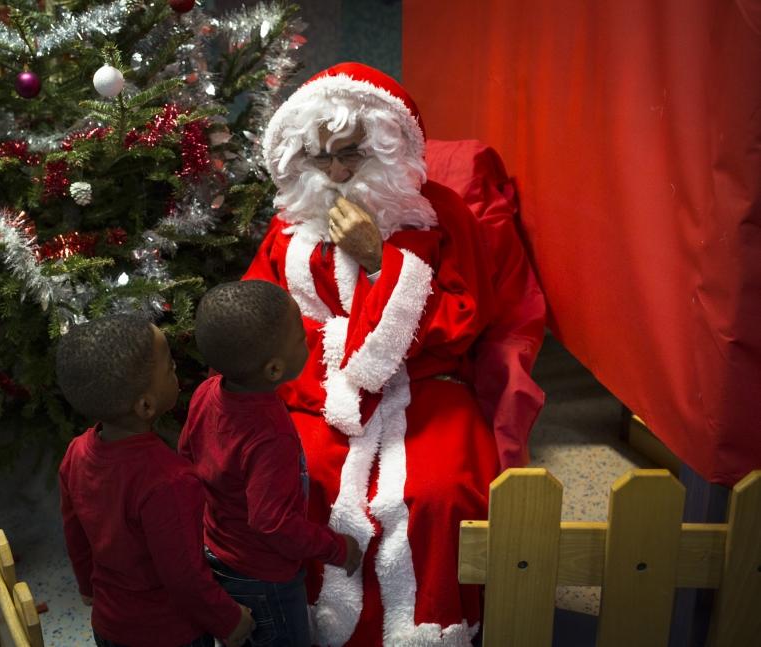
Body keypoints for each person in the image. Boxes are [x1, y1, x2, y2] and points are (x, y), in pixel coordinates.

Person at [243, 62, 509, 646]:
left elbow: (465, 319)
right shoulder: (286, 228)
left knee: (440, 493)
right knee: (300, 481)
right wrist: (326, 378)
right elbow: (263, 325)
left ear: (386, 148)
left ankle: (431, 631)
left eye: (352, 154)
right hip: (311, 390)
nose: (336, 172)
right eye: (320, 157)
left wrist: (376, 260)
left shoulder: (438, 213)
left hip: (428, 383)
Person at [179, 280, 363, 646]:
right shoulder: (269, 435)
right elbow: (272, 523)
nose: (307, 339)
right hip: (264, 578)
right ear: (275, 369)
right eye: (300, 337)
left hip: (216, 548)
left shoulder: (206, 392)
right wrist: (338, 548)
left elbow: (187, 460)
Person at [56, 314, 255, 647]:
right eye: (170, 368)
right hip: (167, 633)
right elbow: (185, 577)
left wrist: (86, 588)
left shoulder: (76, 452)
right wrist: (230, 620)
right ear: (146, 405)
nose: (176, 371)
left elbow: (74, 532)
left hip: (108, 624)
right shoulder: (171, 481)